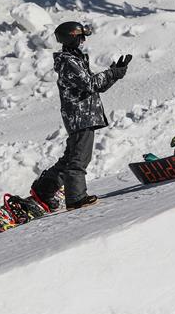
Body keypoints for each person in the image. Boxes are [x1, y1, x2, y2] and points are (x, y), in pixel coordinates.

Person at [30, 21, 132, 212]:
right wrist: (111, 73)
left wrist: (115, 74)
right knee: (79, 159)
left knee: (70, 157)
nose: (83, 40)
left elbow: (96, 87)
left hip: (83, 115)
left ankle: (45, 188)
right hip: (80, 116)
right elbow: (89, 84)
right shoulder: (69, 62)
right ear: (71, 38)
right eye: (80, 37)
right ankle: (76, 198)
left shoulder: (75, 60)